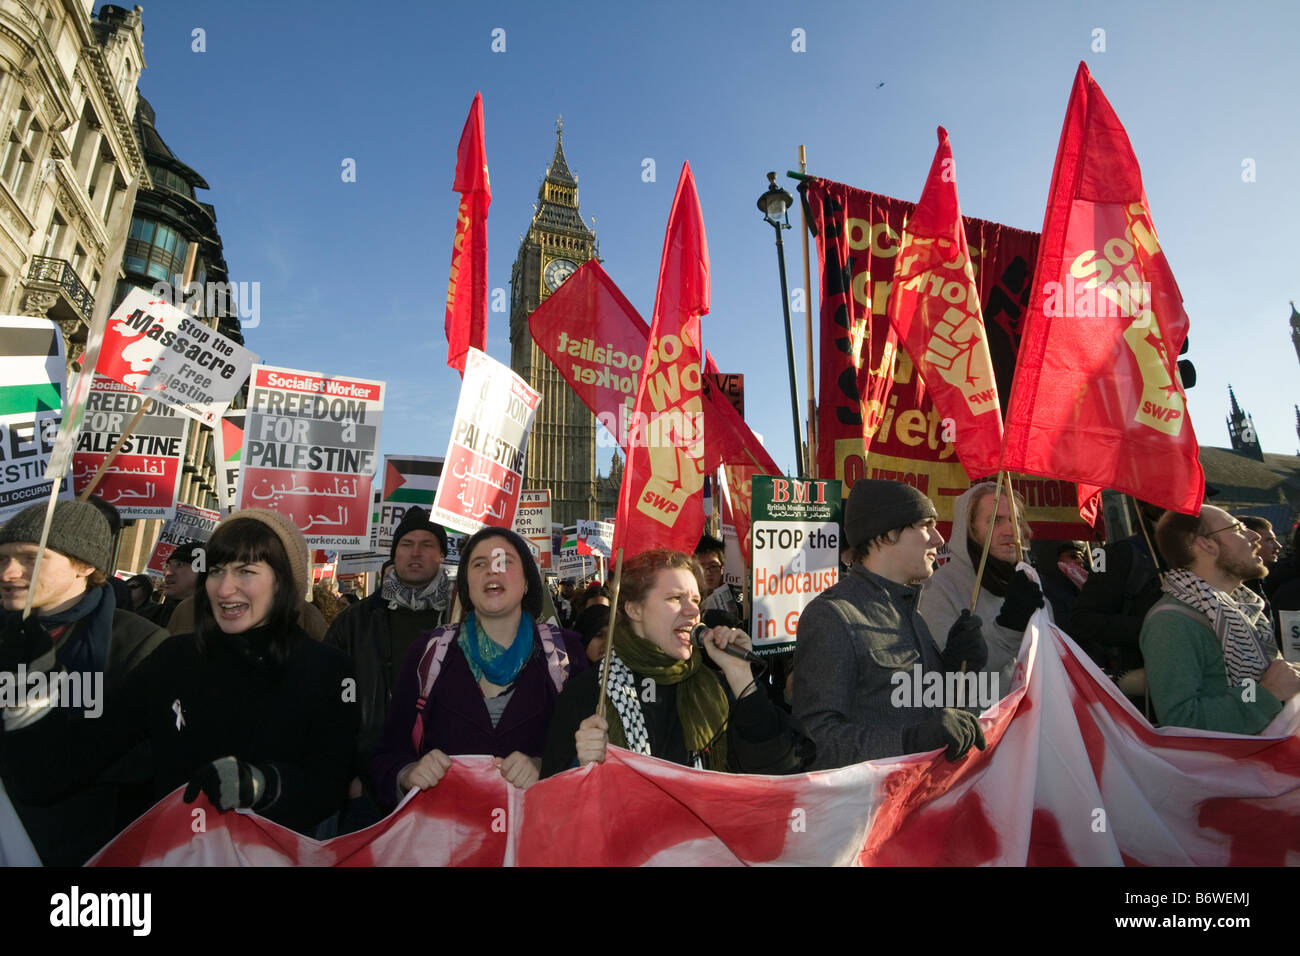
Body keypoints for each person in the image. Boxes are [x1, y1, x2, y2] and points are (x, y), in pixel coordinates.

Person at [0, 508, 359, 847]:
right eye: (216, 571)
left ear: (283, 582)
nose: (224, 589)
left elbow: (329, 784)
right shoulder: (174, 659)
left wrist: (261, 785)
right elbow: (56, 771)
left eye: (246, 571)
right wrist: (30, 684)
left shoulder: (329, 670)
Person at [0, 500, 170, 865]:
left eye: (31, 558)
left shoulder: (141, 643)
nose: (8, 573)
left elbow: (146, 764)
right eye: (3, 559)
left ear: (85, 565)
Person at [542, 549, 810, 777]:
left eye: (695, 600)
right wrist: (580, 765)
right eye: (675, 598)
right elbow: (556, 811)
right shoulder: (589, 696)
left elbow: (780, 772)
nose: (693, 610)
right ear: (634, 609)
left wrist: (741, 679)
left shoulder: (714, 689)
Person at [372, 527, 586, 807]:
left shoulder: (566, 654)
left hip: (537, 837)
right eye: (479, 564)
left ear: (526, 583)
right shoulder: (427, 653)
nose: (492, 571)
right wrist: (407, 773)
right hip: (449, 838)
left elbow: (589, 756)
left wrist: (546, 768)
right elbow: (386, 753)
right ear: (466, 585)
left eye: (504, 561)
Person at [794, 479, 988, 769]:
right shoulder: (833, 616)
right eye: (925, 525)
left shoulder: (910, 611)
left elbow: (920, 709)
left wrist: (957, 669)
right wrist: (910, 741)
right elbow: (818, 741)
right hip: (871, 809)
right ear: (885, 535)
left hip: (919, 801)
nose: (938, 539)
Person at [324, 506, 455, 830]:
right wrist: (349, 778)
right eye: (407, 543)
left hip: (446, 782)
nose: (415, 552)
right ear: (394, 553)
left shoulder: (463, 619)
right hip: (368, 791)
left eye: (427, 544)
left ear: (441, 555)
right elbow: (326, 705)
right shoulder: (354, 622)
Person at [1140, 506, 1300, 734]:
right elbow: (1182, 721)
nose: (1254, 536)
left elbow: (1250, 688)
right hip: (1227, 766)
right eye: (1238, 528)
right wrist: (1268, 693)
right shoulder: (1172, 621)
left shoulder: (1244, 608)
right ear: (1206, 545)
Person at [919, 482, 1044, 692]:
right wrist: (1009, 629)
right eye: (996, 520)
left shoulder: (1031, 585)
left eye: (1016, 520)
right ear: (969, 528)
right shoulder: (937, 589)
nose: (1010, 530)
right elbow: (947, 687)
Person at [141, 543, 201, 627]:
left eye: (179, 564)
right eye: (167, 565)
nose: (167, 572)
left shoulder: (218, 623)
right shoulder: (146, 616)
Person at [696, 533, 743, 626]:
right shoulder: (686, 608)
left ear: (722, 569)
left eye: (713, 566)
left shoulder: (738, 606)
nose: (708, 572)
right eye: (701, 567)